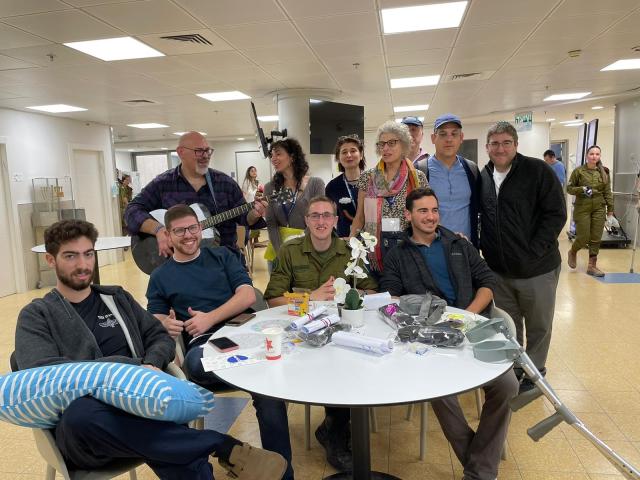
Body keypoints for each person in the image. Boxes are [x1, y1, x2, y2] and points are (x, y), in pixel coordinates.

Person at [14, 219, 286, 480]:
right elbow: (44, 377)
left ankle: (206, 446)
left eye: (88, 254)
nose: (83, 264)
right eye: (70, 256)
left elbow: (159, 337)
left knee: (173, 445)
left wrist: (152, 363)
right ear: (51, 260)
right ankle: (218, 443)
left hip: (138, 410)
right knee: (82, 414)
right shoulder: (37, 315)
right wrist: (130, 367)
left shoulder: (116, 298)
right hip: (89, 434)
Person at [146, 204, 294, 480]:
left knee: (270, 395)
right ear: (168, 234)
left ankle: (282, 474)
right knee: (198, 362)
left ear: (200, 228)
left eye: (193, 228)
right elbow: (153, 317)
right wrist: (163, 323)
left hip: (243, 334)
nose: (189, 235)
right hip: (204, 348)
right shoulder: (160, 277)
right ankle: (240, 450)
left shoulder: (222, 256)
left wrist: (209, 317)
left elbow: (248, 295)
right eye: (180, 231)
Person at [380, 188, 518, 480]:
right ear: (408, 215)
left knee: (507, 386)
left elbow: (487, 281)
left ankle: (478, 466)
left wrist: (467, 314)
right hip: (428, 336)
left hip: (472, 325)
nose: (430, 217)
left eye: (434, 210)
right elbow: (391, 301)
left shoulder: (459, 244)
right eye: (422, 211)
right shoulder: (397, 255)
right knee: (439, 389)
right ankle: (480, 468)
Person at [264, 196, 377, 472]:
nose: (321, 221)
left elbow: (372, 291)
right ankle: (336, 434)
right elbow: (273, 299)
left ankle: (334, 430)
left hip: (342, 331)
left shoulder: (351, 250)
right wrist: (309, 298)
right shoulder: (290, 251)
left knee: (350, 365)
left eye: (327, 215)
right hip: (302, 336)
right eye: (315, 216)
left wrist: (348, 294)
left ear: (336, 221)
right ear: (306, 220)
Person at [479, 121, 566, 393]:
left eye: (506, 142)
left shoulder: (537, 171)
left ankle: (535, 372)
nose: (500, 148)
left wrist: (534, 250)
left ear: (516, 145)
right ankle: (515, 369)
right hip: (500, 271)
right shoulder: (484, 175)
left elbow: (556, 214)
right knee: (509, 324)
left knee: (539, 324)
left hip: (537, 268)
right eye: (495, 143)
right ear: (487, 147)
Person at [124, 131, 266, 258]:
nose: (205, 156)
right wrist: (159, 229)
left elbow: (244, 218)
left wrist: (255, 213)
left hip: (223, 263)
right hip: (178, 268)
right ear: (180, 152)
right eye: (199, 151)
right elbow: (132, 210)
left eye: (208, 151)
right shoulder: (163, 184)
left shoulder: (225, 183)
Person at [350, 121, 428, 274]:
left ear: (404, 145)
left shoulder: (417, 178)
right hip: (374, 249)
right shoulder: (368, 177)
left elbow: (425, 215)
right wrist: (351, 247)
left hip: (408, 248)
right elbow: (360, 217)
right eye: (381, 144)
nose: (385, 148)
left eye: (392, 143)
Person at [415, 113, 480, 246]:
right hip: (431, 248)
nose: (449, 139)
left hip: (466, 248)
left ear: (461, 138)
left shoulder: (471, 170)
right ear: (433, 138)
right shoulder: (420, 170)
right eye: (443, 134)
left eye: (454, 134)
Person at [264, 138, 325, 262]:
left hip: (308, 251)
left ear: (292, 157)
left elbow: (318, 219)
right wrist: (282, 253)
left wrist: (300, 249)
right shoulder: (270, 188)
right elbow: (271, 223)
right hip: (279, 254)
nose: (273, 158)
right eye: (272, 155)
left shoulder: (315, 184)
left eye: (278, 154)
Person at [566, 145, 614, 276]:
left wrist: (610, 209)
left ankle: (592, 266)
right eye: (592, 154)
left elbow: (607, 191)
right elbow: (569, 189)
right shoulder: (578, 171)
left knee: (596, 238)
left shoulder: (604, 172)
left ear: (600, 156)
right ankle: (573, 251)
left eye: (597, 154)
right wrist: (581, 189)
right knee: (583, 237)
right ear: (587, 156)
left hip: (599, 207)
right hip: (582, 207)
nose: (594, 156)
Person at [324, 134, 366, 237]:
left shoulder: (371, 181)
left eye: (353, 151)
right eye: (344, 152)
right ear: (338, 158)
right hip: (345, 238)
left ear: (361, 155)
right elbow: (328, 216)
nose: (348, 155)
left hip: (371, 238)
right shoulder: (332, 186)